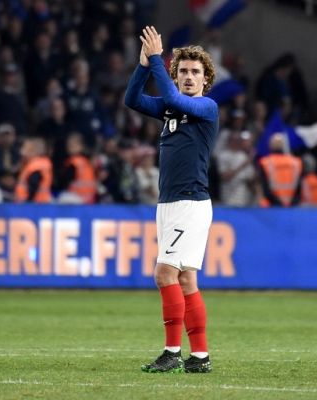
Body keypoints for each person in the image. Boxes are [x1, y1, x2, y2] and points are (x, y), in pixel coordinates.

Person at [124, 26, 218, 373]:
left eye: (196, 72)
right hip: (169, 204)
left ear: (206, 79)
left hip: (190, 203)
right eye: (183, 72)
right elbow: (132, 100)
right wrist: (144, 67)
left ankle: (172, 352)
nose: (189, 77)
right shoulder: (169, 108)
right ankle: (200, 357)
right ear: (176, 76)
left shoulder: (206, 107)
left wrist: (156, 60)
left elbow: (176, 100)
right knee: (185, 279)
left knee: (164, 273)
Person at [258, 133, 302, 207]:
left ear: (270, 146)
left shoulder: (265, 162)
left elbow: (265, 189)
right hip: (292, 206)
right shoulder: (296, 162)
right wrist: (291, 202)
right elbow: (299, 188)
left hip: (272, 207)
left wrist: (278, 203)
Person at [14, 136, 52, 203]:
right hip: (33, 204)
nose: (22, 152)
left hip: (36, 206)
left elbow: (33, 185)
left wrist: (28, 202)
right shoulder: (29, 164)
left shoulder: (37, 165)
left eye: (25, 148)